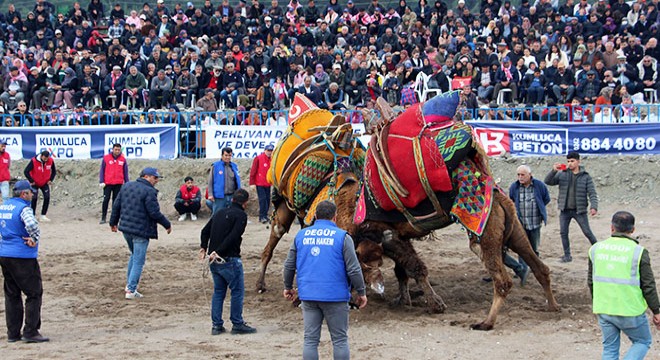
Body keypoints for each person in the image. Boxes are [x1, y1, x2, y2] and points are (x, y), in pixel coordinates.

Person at [282, 200, 367, 360]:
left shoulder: (301, 235)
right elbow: (354, 269)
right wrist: (361, 291)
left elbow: (289, 265)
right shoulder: (343, 237)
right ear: (335, 217)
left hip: (308, 295)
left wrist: (288, 286)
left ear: (315, 215)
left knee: (310, 340)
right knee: (340, 340)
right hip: (335, 296)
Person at [588, 211, 660, 359]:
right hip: (630, 310)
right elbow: (648, 285)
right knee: (642, 341)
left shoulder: (596, 249)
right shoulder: (639, 252)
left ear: (611, 228)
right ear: (632, 230)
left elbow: (591, 281)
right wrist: (656, 310)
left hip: (604, 308)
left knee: (609, 349)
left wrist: (598, 301)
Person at [199, 188, 256, 335]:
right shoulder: (241, 215)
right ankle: (237, 323)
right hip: (229, 258)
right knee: (237, 291)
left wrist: (204, 248)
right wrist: (219, 251)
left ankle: (216, 325)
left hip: (213, 260)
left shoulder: (219, 212)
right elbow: (234, 236)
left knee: (218, 292)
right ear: (245, 203)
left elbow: (205, 231)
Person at [109, 167, 172, 299]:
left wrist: (113, 222)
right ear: (146, 177)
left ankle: (129, 285)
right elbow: (154, 212)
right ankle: (131, 290)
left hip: (126, 228)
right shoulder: (149, 191)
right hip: (141, 230)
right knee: (138, 260)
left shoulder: (126, 186)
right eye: (155, 178)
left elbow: (116, 205)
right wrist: (167, 224)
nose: (156, 181)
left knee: (134, 256)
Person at [0, 180, 49, 343]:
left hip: (4, 254)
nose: (32, 194)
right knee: (34, 293)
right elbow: (32, 225)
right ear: (23, 194)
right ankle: (31, 331)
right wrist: (34, 239)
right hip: (22, 256)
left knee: (12, 294)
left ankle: (13, 333)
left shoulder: (4, 206)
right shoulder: (24, 208)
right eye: (30, 192)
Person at [544, 151, 599, 263]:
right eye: (568, 161)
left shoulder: (585, 177)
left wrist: (594, 207)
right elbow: (548, 181)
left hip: (580, 210)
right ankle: (567, 255)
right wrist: (554, 170)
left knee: (587, 232)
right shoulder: (562, 173)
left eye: (572, 161)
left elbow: (592, 193)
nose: (570, 163)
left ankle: (599, 251)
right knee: (563, 232)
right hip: (565, 210)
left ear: (578, 161)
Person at [508, 165, 551, 268]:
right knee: (521, 247)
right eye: (518, 175)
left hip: (535, 223)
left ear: (530, 175)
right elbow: (512, 199)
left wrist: (539, 209)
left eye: (522, 174)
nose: (520, 177)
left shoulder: (539, 185)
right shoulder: (514, 187)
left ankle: (535, 267)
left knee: (534, 247)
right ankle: (523, 269)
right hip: (521, 224)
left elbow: (546, 199)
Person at [99, 144, 129, 224]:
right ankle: (103, 217)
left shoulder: (123, 159)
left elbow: (125, 172)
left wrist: (127, 183)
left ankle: (114, 218)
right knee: (106, 199)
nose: (117, 151)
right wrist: (101, 181)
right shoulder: (106, 158)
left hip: (118, 183)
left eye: (119, 150)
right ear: (112, 149)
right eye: (116, 149)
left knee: (116, 201)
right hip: (108, 183)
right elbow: (102, 170)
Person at [23, 151, 57, 222]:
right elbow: (26, 171)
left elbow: (54, 171)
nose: (45, 160)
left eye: (47, 158)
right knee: (34, 198)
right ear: (41, 156)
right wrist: (31, 180)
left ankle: (43, 215)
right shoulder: (34, 161)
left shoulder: (50, 161)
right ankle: (32, 215)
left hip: (44, 183)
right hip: (35, 183)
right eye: (44, 158)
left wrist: (51, 179)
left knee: (47, 197)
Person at [208, 147, 241, 214]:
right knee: (217, 215)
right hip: (220, 196)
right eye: (226, 155)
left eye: (229, 155)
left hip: (232, 195)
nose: (228, 157)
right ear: (222, 155)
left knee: (231, 215)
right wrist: (210, 194)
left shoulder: (234, 166)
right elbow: (210, 181)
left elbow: (237, 181)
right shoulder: (216, 166)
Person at [249, 144, 273, 224]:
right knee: (262, 200)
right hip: (260, 183)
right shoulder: (258, 158)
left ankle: (265, 216)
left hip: (268, 183)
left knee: (267, 200)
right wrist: (252, 183)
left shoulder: (272, 159)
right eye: (268, 150)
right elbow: (253, 170)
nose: (269, 152)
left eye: (271, 151)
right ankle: (262, 216)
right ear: (265, 150)